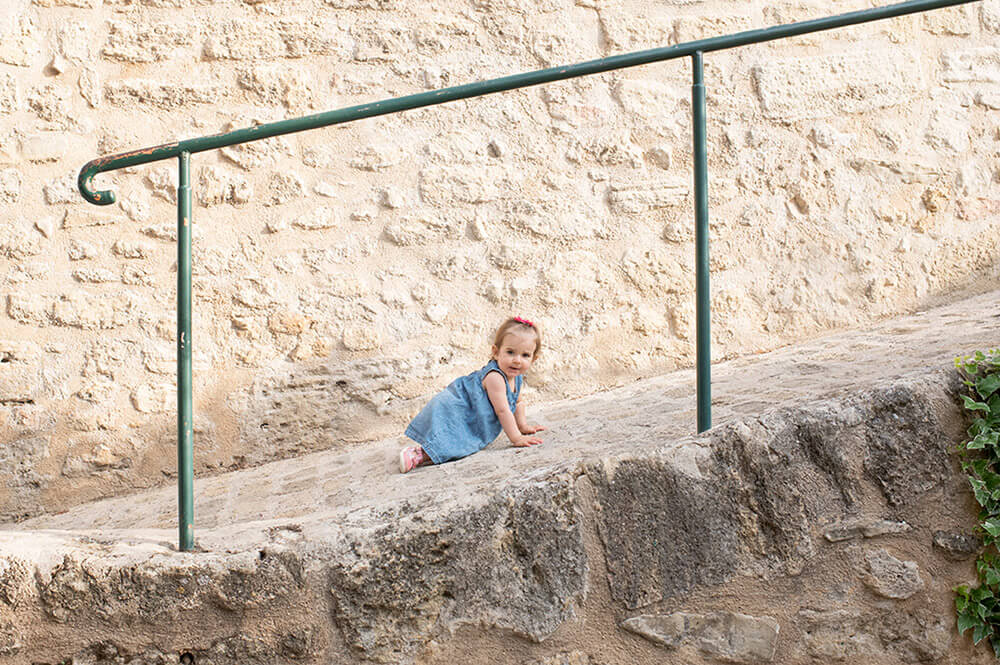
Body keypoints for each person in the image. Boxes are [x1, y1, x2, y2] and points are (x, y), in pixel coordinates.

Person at [399, 316, 546, 473]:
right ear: (496, 352)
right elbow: (503, 410)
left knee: (462, 443)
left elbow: (518, 402)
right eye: (510, 352)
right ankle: (418, 454)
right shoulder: (495, 377)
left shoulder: (516, 377)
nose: (517, 360)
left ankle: (425, 453)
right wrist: (516, 438)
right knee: (453, 439)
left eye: (525, 355)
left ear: (533, 359)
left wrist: (523, 426)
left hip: (474, 415)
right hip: (460, 409)